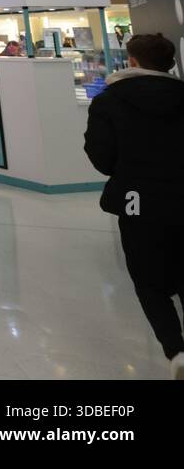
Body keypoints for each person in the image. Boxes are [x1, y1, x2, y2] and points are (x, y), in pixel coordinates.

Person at [83, 33, 184, 378]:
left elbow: (101, 156)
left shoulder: (110, 101)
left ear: (133, 60)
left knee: (148, 279)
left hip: (136, 200)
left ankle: (176, 349)